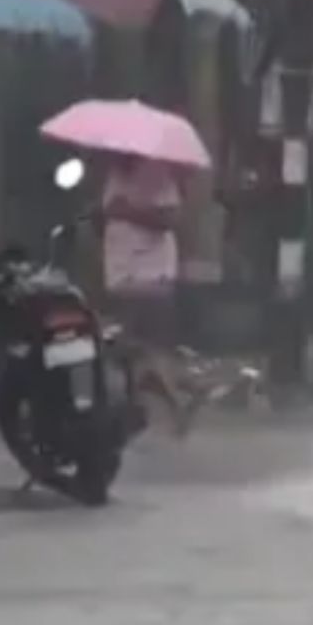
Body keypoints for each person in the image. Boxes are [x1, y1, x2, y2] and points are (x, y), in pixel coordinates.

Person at [102, 153, 204, 434]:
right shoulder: (115, 174)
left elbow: (170, 217)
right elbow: (111, 212)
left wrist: (129, 211)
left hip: (150, 274)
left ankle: (177, 397)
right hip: (121, 272)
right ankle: (172, 394)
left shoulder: (156, 172)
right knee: (129, 347)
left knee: (146, 345)